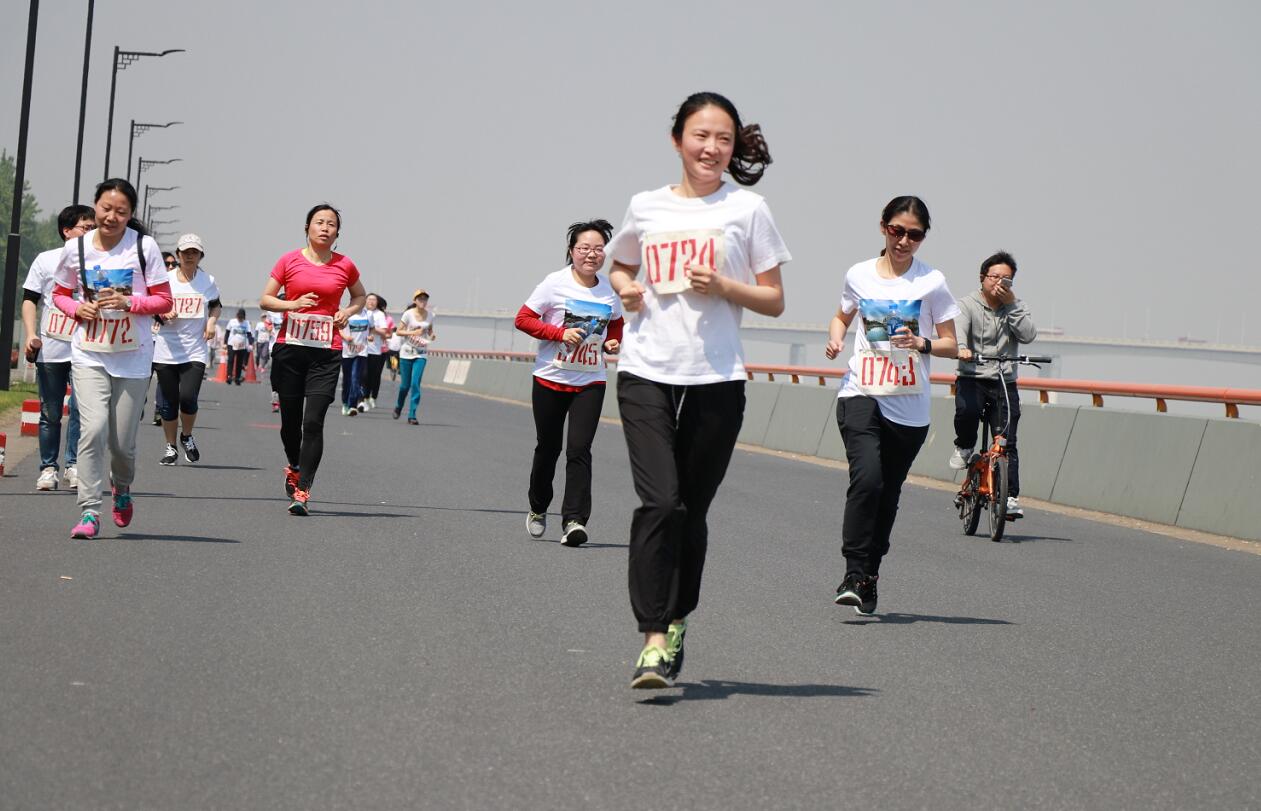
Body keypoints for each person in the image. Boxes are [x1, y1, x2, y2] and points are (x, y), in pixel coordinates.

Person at [606, 92, 790, 688]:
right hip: (646, 369)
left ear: (734, 148)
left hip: (716, 377)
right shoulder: (646, 206)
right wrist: (625, 289)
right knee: (661, 502)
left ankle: (678, 615)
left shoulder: (748, 209)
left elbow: (774, 300)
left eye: (724, 140)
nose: (712, 149)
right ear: (677, 139)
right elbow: (619, 264)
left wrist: (725, 286)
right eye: (701, 136)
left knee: (691, 510)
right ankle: (652, 639)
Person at [825, 196, 960, 616]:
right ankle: (852, 573)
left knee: (887, 493)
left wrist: (921, 342)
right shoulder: (859, 274)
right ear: (883, 226)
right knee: (867, 479)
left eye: (914, 235)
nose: (904, 241)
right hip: (861, 392)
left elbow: (951, 344)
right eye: (897, 231)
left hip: (909, 408)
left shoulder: (932, 282)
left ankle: (869, 576)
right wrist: (835, 339)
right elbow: (841, 316)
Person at [50, 178, 172, 539]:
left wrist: (129, 302)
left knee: (121, 443)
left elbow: (164, 300)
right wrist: (77, 308)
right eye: (106, 208)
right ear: (95, 206)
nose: (111, 217)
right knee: (92, 430)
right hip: (89, 352)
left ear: (130, 214)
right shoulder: (77, 249)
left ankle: (121, 486)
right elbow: (59, 294)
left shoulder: (144, 247)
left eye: (121, 211)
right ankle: (90, 510)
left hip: (133, 356)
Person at [515, 219, 623, 547]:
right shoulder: (554, 283)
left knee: (580, 450)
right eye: (584, 248)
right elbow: (523, 319)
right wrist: (559, 333)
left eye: (598, 249)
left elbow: (616, 324)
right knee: (548, 448)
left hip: (590, 381)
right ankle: (538, 507)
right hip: (550, 378)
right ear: (572, 251)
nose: (591, 254)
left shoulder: (609, 290)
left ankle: (574, 520)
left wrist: (612, 342)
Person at [260, 203, 366, 515]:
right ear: (307, 227)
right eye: (319, 222)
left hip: (326, 352)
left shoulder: (345, 265)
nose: (325, 228)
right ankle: (294, 465)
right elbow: (265, 299)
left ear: (337, 233)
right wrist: (291, 304)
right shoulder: (289, 260)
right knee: (290, 424)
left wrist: (347, 311)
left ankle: (303, 490)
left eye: (331, 224)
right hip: (291, 349)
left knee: (314, 421)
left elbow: (360, 295)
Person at [949, 251, 1038, 517]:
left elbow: (1028, 335)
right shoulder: (966, 304)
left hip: (1003, 381)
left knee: (1007, 441)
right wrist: (962, 349)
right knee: (967, 411)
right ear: (982, 277)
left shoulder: (1016, 306)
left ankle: (1009, 496)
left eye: (1006, 279)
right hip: (972, 377)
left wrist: (1011, 305)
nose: (1000, 283)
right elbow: (958, 331)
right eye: (995, 276)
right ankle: (965, 445)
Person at [21, 204, 94, 491]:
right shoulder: (46, 260)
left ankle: (73, 465)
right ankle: (48, 468)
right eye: (86, 227)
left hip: (87, 347)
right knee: (50, 412)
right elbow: (30, 299)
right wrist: (30, 335)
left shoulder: (100, 261)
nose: (92, 232)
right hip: (52, 346)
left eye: (94, 228)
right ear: (67, 231)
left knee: (80, 409)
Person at [152, 233, 221, 465]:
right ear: (178, 255)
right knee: (168, 402)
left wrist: (211, 323)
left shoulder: (207, 281)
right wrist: (163, 312)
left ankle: (187, 436)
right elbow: (152, 306)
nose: (190, 256)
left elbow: (216, 306)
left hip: (195, 349)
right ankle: (171, 446)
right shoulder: (165, 279)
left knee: (188, 397)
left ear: (200, 256)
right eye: (185, 252)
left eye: (194, 252)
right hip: (166, 349)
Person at [393, 290, 436, 425]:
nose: (423, 301)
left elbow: (430, 330)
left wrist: (432, 335)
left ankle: (412, 415)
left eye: (425, 299)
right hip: (406, 353)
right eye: (420, 299)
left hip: (421, 353)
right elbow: (398, 331)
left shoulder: (431, 315)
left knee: (415, 384)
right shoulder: (408, 314)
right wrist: (413, 332)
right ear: (415, 301)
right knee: (404, 386)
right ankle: (399, 406)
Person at [150, 251, 179, 426]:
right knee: (143, 378)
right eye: (166, 264)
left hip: (165, 341)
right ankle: (138, 405)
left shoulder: (177, 286)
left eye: (173, 264)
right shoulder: (149, 282)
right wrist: (161, 314)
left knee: (164, 379)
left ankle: (160, 411)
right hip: (147, 339)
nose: (170, 267)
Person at [339, 304, 371, 415]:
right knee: (347, 379)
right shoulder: (345, 313)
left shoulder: (367, 314)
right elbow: (339, 328)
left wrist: (370, 336)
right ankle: (345, 403)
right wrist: (345, 337)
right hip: (347, 351)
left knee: (355, 378)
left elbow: (370, 329)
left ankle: (352, 406)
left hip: (361, 351)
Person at [361, 293, 390, 409]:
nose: (371, 302)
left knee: (372, 376)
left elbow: (384, 332)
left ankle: (369, 396)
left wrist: (372, 328)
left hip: (375, 350)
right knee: (362, 375)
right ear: (365, 301)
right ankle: (361, 399)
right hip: (361, 349)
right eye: (369, 299)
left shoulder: (380, 315)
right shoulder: (361, 312)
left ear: (377, 303)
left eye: (374, 300)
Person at [224, 309, 254, 384]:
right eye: (239, 317)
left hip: (242, 345)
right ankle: (229, 376)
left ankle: (237, 377)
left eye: (242, 318)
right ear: (237, 316)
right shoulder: (232, 321)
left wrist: (251, 344)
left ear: (244, 317)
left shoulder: (246, 323)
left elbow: (249, 334)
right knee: (231, 360)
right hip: (231, 344)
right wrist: (225, 343)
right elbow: (227, 332)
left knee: (239, 362)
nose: (240, 319)